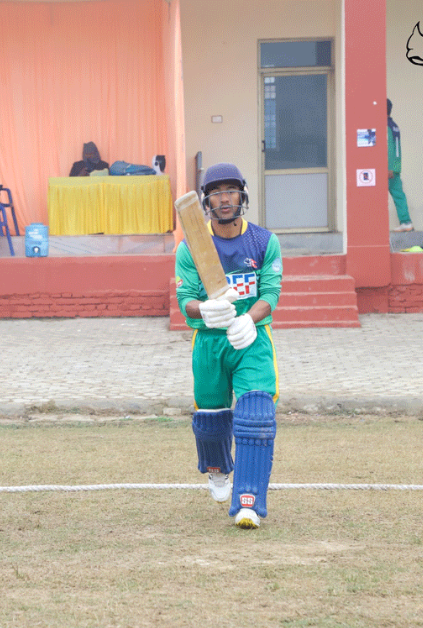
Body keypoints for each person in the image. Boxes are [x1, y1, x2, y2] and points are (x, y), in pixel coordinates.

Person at [174, 162, 282, 530]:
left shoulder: (264, 241)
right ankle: (217, 469)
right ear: (206, 201)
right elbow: (185, 299)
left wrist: (248, 320)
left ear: (242, 195)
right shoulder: (191, 247)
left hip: (251, 341)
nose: (225, 198)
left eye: (231, 191)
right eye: (217, 192)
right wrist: (204, 309)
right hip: (209, 343)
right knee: (210, 421)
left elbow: (270, 293)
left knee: (256, 415)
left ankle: (249, 502)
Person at [387, 99, 413, 232]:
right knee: (399, 195)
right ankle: (406, 222)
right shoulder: (394, 125)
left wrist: (388, 167)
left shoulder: (385, 126)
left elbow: (389, 147)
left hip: (388, 168)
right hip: (396, 166)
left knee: (377, 197)